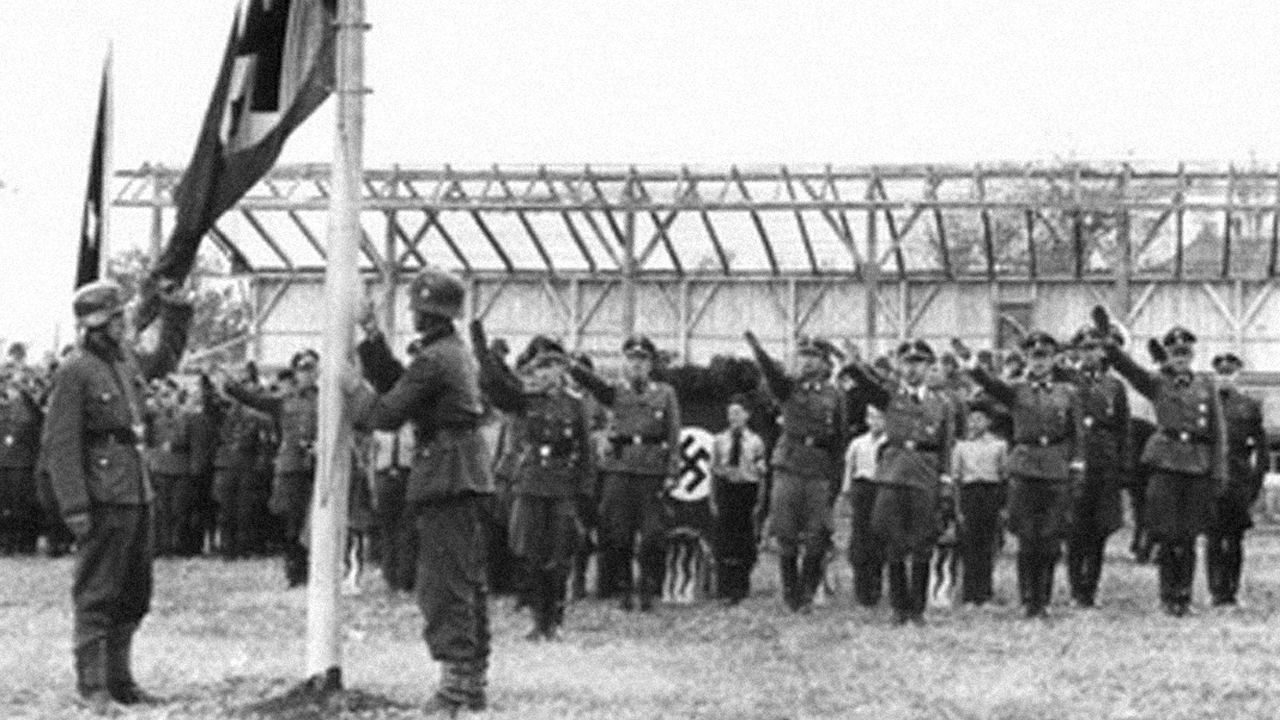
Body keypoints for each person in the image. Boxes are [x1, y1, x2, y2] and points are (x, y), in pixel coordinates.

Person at [344, 268, 494, 715]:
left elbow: (388, 412)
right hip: (460, 473)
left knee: (443, 585)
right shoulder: (449, 352)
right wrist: (371, 338)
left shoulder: (435, 359)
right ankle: (469, 685)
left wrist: (351, 391)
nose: (413, 316)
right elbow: (402, 386)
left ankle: (455, 691)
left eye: (416, 310)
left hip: (446, 476)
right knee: (463, 580)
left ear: (424, 314)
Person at [43, 278, 192, 711]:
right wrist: (74, 507)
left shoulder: (124, 362)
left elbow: (164, 358)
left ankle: (120, 681)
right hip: (103, 496)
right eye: (116, 318)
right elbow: (61, 445)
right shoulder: (75, 371)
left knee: (133, 593)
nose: (123, 324)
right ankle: (93, 688)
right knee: (97, 594)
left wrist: (176, 312)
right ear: (97, 325)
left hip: (135, 493)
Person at [474, 332, 593, 639]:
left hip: (562, 486)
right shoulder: (524, 400)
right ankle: (538, 619)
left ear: (562, 371)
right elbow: (496, 389)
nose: (546, 375)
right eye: (541, 369)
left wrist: (584, 491)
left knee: (560, 555)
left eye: (553, 368)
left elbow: (586, 449)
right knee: (530, 553)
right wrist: (482, 351)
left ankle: (556, 618)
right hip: (530, 484)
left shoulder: (575, 404)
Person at [1105, 323, 1227, 616]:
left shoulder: (1206, 386)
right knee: (1167, 535)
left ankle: (1183, 595)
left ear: (1192, 355)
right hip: (1166, 465)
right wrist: (1112, 348)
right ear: (1168, 355)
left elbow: (1218, 432)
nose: (1181, 358)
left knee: (1188, 537)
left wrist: (1219, 471)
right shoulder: (1158, 382)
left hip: (1197, 465)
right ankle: (1167, 594)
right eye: (1175, 353)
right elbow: (1131, 371)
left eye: (1185, 353)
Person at [964, 331, 1084, 619]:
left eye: (1045, 357)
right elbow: (992, 386)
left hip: (1055, 467)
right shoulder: (1017, 390)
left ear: (1054, 359)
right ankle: (1027, 598)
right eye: (1034, 357)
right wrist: (973, 367)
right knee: (1027, 537)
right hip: (1025, 467)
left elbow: (1076, 432)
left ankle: (1043, 599)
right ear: (1027, 360)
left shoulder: (1067, 393)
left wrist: (1078, 464)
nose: (1039, 363)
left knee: (1051, 538)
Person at [844, 340, 955, 625]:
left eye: (919, 363)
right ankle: (898, 607)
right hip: (893, 475)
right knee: (892, 542)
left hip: (925, 477)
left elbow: (946, 445)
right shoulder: (890, 395)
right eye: (907, 363)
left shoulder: (942, 403)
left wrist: (945, 481)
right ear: (899, 366)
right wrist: (855, 363)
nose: (912, 369)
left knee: (922, 544)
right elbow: (867, 384)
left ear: (929, 367)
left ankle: (917, 609)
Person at [568, 335, 681, 612]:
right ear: (624, 363)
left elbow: (674, 433)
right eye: (631, 360)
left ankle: (646, 586)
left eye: (642, 360)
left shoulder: (664, 393)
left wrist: (672, 470)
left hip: (652, 470)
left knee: (653, 534)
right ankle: (625, 588)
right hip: (619, 469)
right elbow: (592, 383)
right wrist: (569, 365)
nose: (636, 365)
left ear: (651, 364)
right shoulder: (615, 391)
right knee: (619, 533)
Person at [745, 333, 847, 613]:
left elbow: (840, 439)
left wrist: (835, 481)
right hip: (789, 466)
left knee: (817, 535)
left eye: (814, 357)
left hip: (819, 469)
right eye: (804, 356)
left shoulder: (835, 396)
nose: (808, 362)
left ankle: (807, 593)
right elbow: (772, 373)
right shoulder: (789, 388)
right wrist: (759, 351)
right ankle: (791, 594)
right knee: (786, 531)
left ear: (825, 364)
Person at [223, 350, 320, 586]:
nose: (307, 374)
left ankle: (317, 570)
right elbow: (255, 400)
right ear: (296, 372)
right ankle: (296, 572)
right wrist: (231, 386)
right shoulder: (285, 400)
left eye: (311, 369)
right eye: (302, 369)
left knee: (317, 522)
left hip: (320, 466)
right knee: (291, 521)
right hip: (292, 467)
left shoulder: (328, 399)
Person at [1065, 324, 1130, 607]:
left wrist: (1124, 466)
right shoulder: (1067, 382)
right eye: (1084, 349)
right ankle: (1076, 587)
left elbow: (1124, 428)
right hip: (1076, 463)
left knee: (1099, 529)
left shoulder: (1115, 386)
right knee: (1074, 528)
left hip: (1105, 463)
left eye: (1094, 348)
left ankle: (1090, 588)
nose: (1089, 354)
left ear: (1102, 351)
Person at [1206, 353, 1267, 606]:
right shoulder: (1207, 404)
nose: (1225, 378)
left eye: (1229, 374)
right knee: (1213, 538)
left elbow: (1261, 450)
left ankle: (1231, 591)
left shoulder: (1250, 406)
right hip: (1212, 480)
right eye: (1220, 374)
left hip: (1239, 481)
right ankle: (1215, 591)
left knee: (1234, 539)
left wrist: (1255, 483)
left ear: (1237, 375)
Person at [709, 395, 767, 606]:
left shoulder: (755, 441)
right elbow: (714, 470)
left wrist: (759, 500)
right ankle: (723, 587)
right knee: (724, 537)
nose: (733, 417)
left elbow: (761, 474)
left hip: (746, 490)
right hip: (727, 489)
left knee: (743, 538)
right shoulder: (719, 440)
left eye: (737, 413)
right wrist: (713, 497)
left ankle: (741, 586)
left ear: (747, 415)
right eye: (730, 413)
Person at [948, 403, 1008, 606]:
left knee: (988, 545)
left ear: (988, 422)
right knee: (969, 545)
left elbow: (1003, 476)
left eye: (979, 419)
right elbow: (956, 479)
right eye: (971, 419)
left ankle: (985, 592)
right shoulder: (961, 446)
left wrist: (1002, 505)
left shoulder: (999, 445)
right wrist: (958, 508)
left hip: (990, 493)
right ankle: (969, 594)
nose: (974, 423)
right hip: (970, 494)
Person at [840, 405, 887, 607]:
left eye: (879, 417)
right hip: (862, 489)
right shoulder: (858, 443)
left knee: (879, 537)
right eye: (872, 417)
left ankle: (875, 586)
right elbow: (849, 469)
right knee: (860, 538)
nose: (875, 422)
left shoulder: (890, 444)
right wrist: (846, 492)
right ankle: (861, 589)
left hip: (882, 489)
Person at [0, 366, 43, 555]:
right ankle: (8, 542)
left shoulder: (30, 410)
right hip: (7, 461)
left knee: (22, 504)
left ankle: (23, 542)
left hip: (23, 463)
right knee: (7, 503)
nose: (11, 391)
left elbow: (35, 431)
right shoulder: (6, 409)